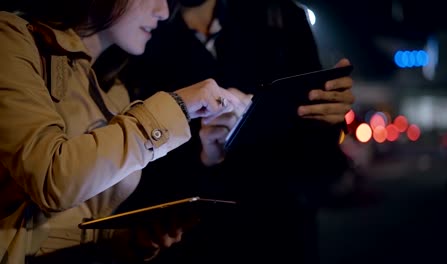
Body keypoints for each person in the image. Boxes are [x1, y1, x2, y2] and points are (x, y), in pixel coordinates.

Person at [102, 0, 356, 263]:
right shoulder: (136, 23)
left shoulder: (281, 17)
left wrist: (327, 121)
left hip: (281, 238)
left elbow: (321, 168)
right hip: (187, 246)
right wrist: (202, 157)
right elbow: (120, 171)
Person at [0, 0, 245, 263]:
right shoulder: (11, 38)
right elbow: (51, 179)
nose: (163, 12)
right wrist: (179, 105)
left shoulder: (115, 92)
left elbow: (66, 225)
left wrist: (130, 242)